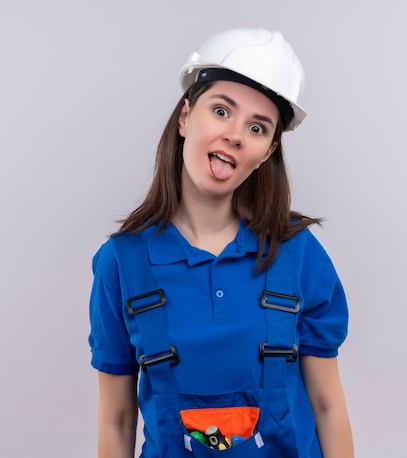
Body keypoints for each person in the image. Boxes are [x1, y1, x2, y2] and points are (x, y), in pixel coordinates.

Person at [88, 28, 354, 457]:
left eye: (256, 127)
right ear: (184, 117)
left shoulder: (298, 255)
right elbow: (115, 419)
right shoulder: (121, 264)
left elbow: (328, 406)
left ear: (267, 151)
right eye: (221, 110)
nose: (235, 134)